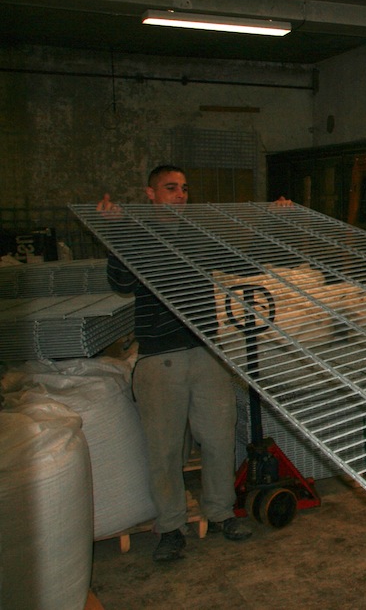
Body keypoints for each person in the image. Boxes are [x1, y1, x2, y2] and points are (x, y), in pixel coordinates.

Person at [98, 165, 290, 562]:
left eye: (184, 188)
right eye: (171, 188)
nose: (180, 195)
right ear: (150, 194)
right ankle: (171, 527)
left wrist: (272, 221)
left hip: (206, 352)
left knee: (219, 440)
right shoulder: (138, 235)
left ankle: (220, 514)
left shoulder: (198, 235)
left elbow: (245, 262)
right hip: (159, 359)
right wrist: (117, 233)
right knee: (164, 450)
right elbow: (121, 284)